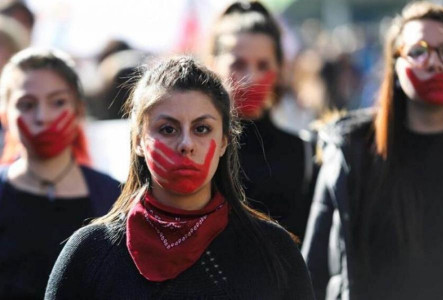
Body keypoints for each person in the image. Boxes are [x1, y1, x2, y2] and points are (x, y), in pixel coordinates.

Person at [45, 56, 315, 299]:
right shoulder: (90, 253)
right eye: (167, 129)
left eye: (201, 128)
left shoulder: (272, 251)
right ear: (138, 141)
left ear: (223, 141)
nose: (186, 144)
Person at [301, 2, 443, 299]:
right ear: (394, 64)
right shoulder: (350, 152)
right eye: (418, 52)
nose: (434, 63)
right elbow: (312, 271)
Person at [0, 48, 121, 299]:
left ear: (78, 109)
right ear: (5, 115)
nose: (43, 117)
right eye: (27, 104)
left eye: (58, 102)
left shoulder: (116, 199)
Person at [207, 0, 314, 240]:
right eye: (238, 63)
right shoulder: (197, 149)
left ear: (280, 69)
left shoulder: (304, 153)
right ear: (213, 65)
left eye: (263, 65)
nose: (251, 78)